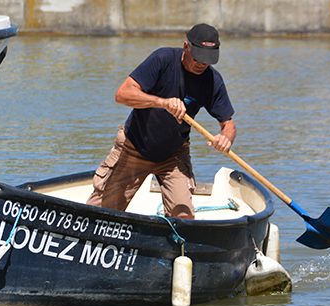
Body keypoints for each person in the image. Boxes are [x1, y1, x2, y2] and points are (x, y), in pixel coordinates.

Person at [86, 23, 236, 219]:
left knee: (182, 216)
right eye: (198, 57)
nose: (202, 64)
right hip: (134, 146)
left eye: (208, 60)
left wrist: (226, 138)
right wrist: (161, 102)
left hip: (173, 155)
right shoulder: (162, 59)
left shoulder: (212, 80)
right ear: (186, 47)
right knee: (99, 213)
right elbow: (122, 94)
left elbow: (229, 124)